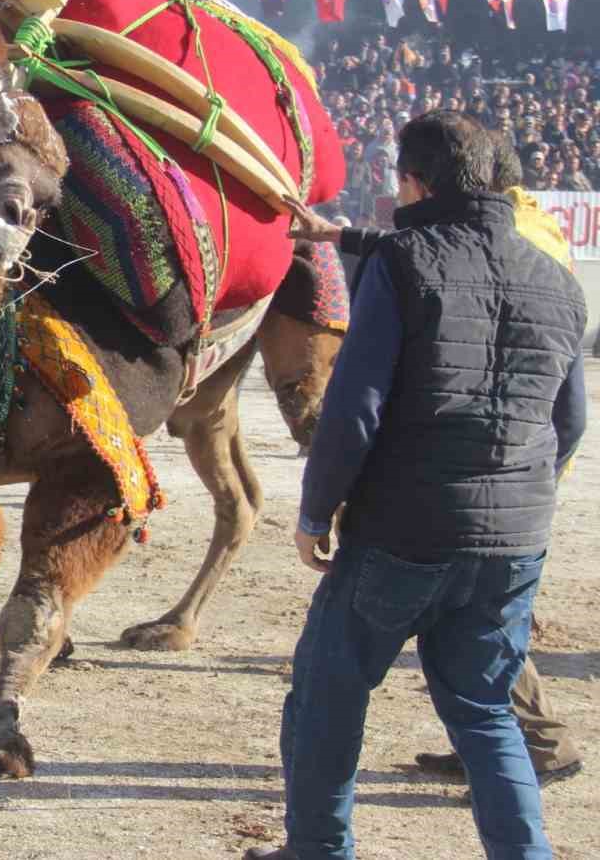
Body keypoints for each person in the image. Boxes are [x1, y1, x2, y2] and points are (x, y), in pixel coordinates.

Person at [250, 111, 586, 860]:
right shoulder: (560, 282)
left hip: (404, 533)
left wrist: (315, 511)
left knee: (328, 700)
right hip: (514, 541)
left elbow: (354, 407)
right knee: (486, 713)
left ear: (412, 181)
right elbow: (569, 423)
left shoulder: (404, 262)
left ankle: (318, 849)